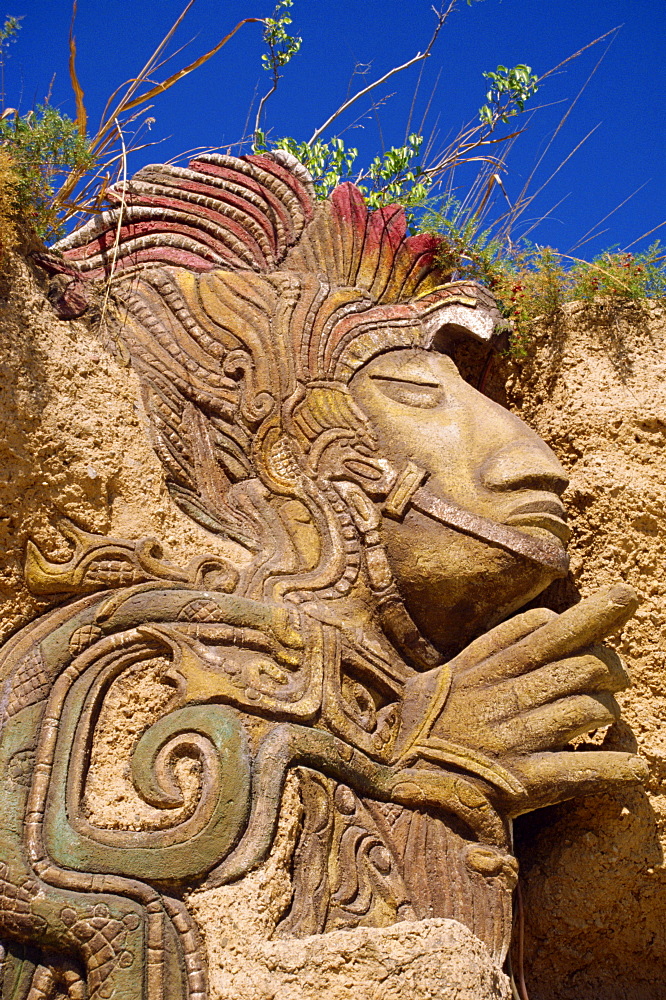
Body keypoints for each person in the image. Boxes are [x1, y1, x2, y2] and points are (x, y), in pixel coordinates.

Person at [0, 152, 645, 998]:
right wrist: (417, 757)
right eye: (419, 394)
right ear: (311, 452)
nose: (529, 452)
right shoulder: (135, 650)